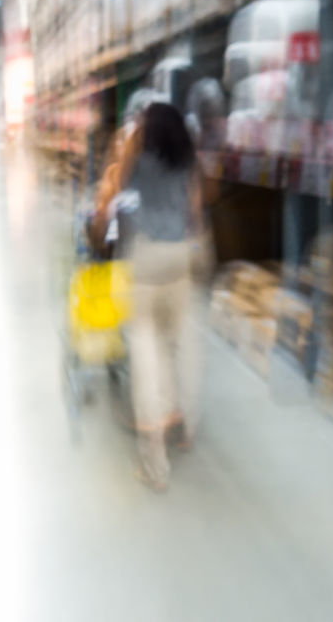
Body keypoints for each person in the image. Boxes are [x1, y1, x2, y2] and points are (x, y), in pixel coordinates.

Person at [110, 102, 210, 491]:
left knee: (145, 353)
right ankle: (182, 422)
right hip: (180, 257)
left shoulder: (137, 159)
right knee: (176, 345)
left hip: (145, 259)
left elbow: (120, 197)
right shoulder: (186, 160)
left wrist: (132, 146)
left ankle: (155, 465)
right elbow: (196, 210)